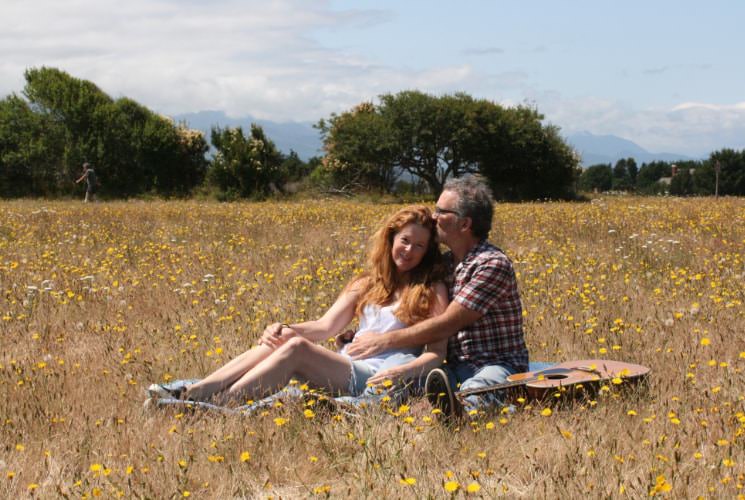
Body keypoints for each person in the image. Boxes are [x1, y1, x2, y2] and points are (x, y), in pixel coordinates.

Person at [156, 206, 449, 405]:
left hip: (378, 375)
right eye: (405, 240)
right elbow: (324, 327)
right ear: (391, 239)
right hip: (346, 363)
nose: (409, 250)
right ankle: (199, 392)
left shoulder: (431, 290)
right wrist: (283, 328)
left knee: (297, 348)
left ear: (427, 251)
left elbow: (437, 354)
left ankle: (216, 403)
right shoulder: (367, 283)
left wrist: (402, 373)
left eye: (419, 245)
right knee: (286, 338)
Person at [345, 175, 529, 418]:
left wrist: (383, 340)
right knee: (403, 380)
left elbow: (447, 323)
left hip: (496, 364)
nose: (433, 216)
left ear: (464, 224)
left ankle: (459, 415)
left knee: (482, 387)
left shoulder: (492, 264)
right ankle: (354, 408)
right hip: (451, 367)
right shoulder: (445, 264)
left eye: (442, 211)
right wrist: (357, 335)